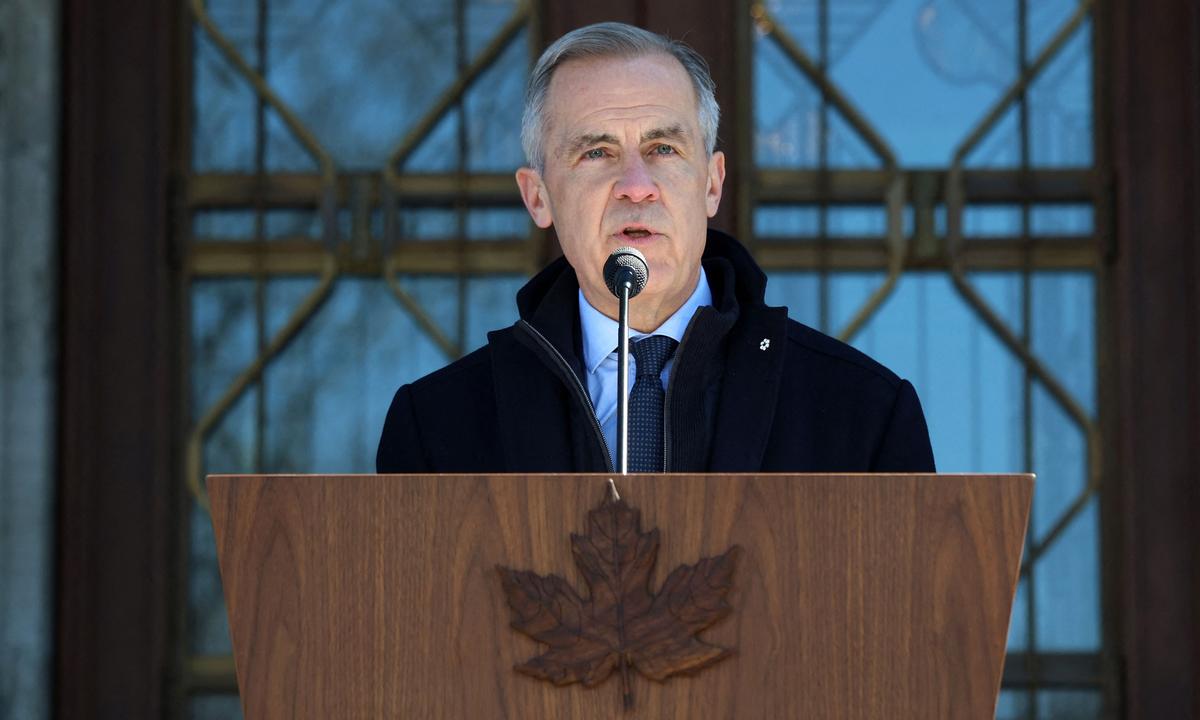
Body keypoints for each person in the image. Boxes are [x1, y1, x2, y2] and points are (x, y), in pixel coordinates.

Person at [376, 22, 934, 474]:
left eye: (663, 148)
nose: (636, 185)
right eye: (596, 153)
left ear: (712, 184)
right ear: (539, 197)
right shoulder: (436, 428)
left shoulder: (863, 413)